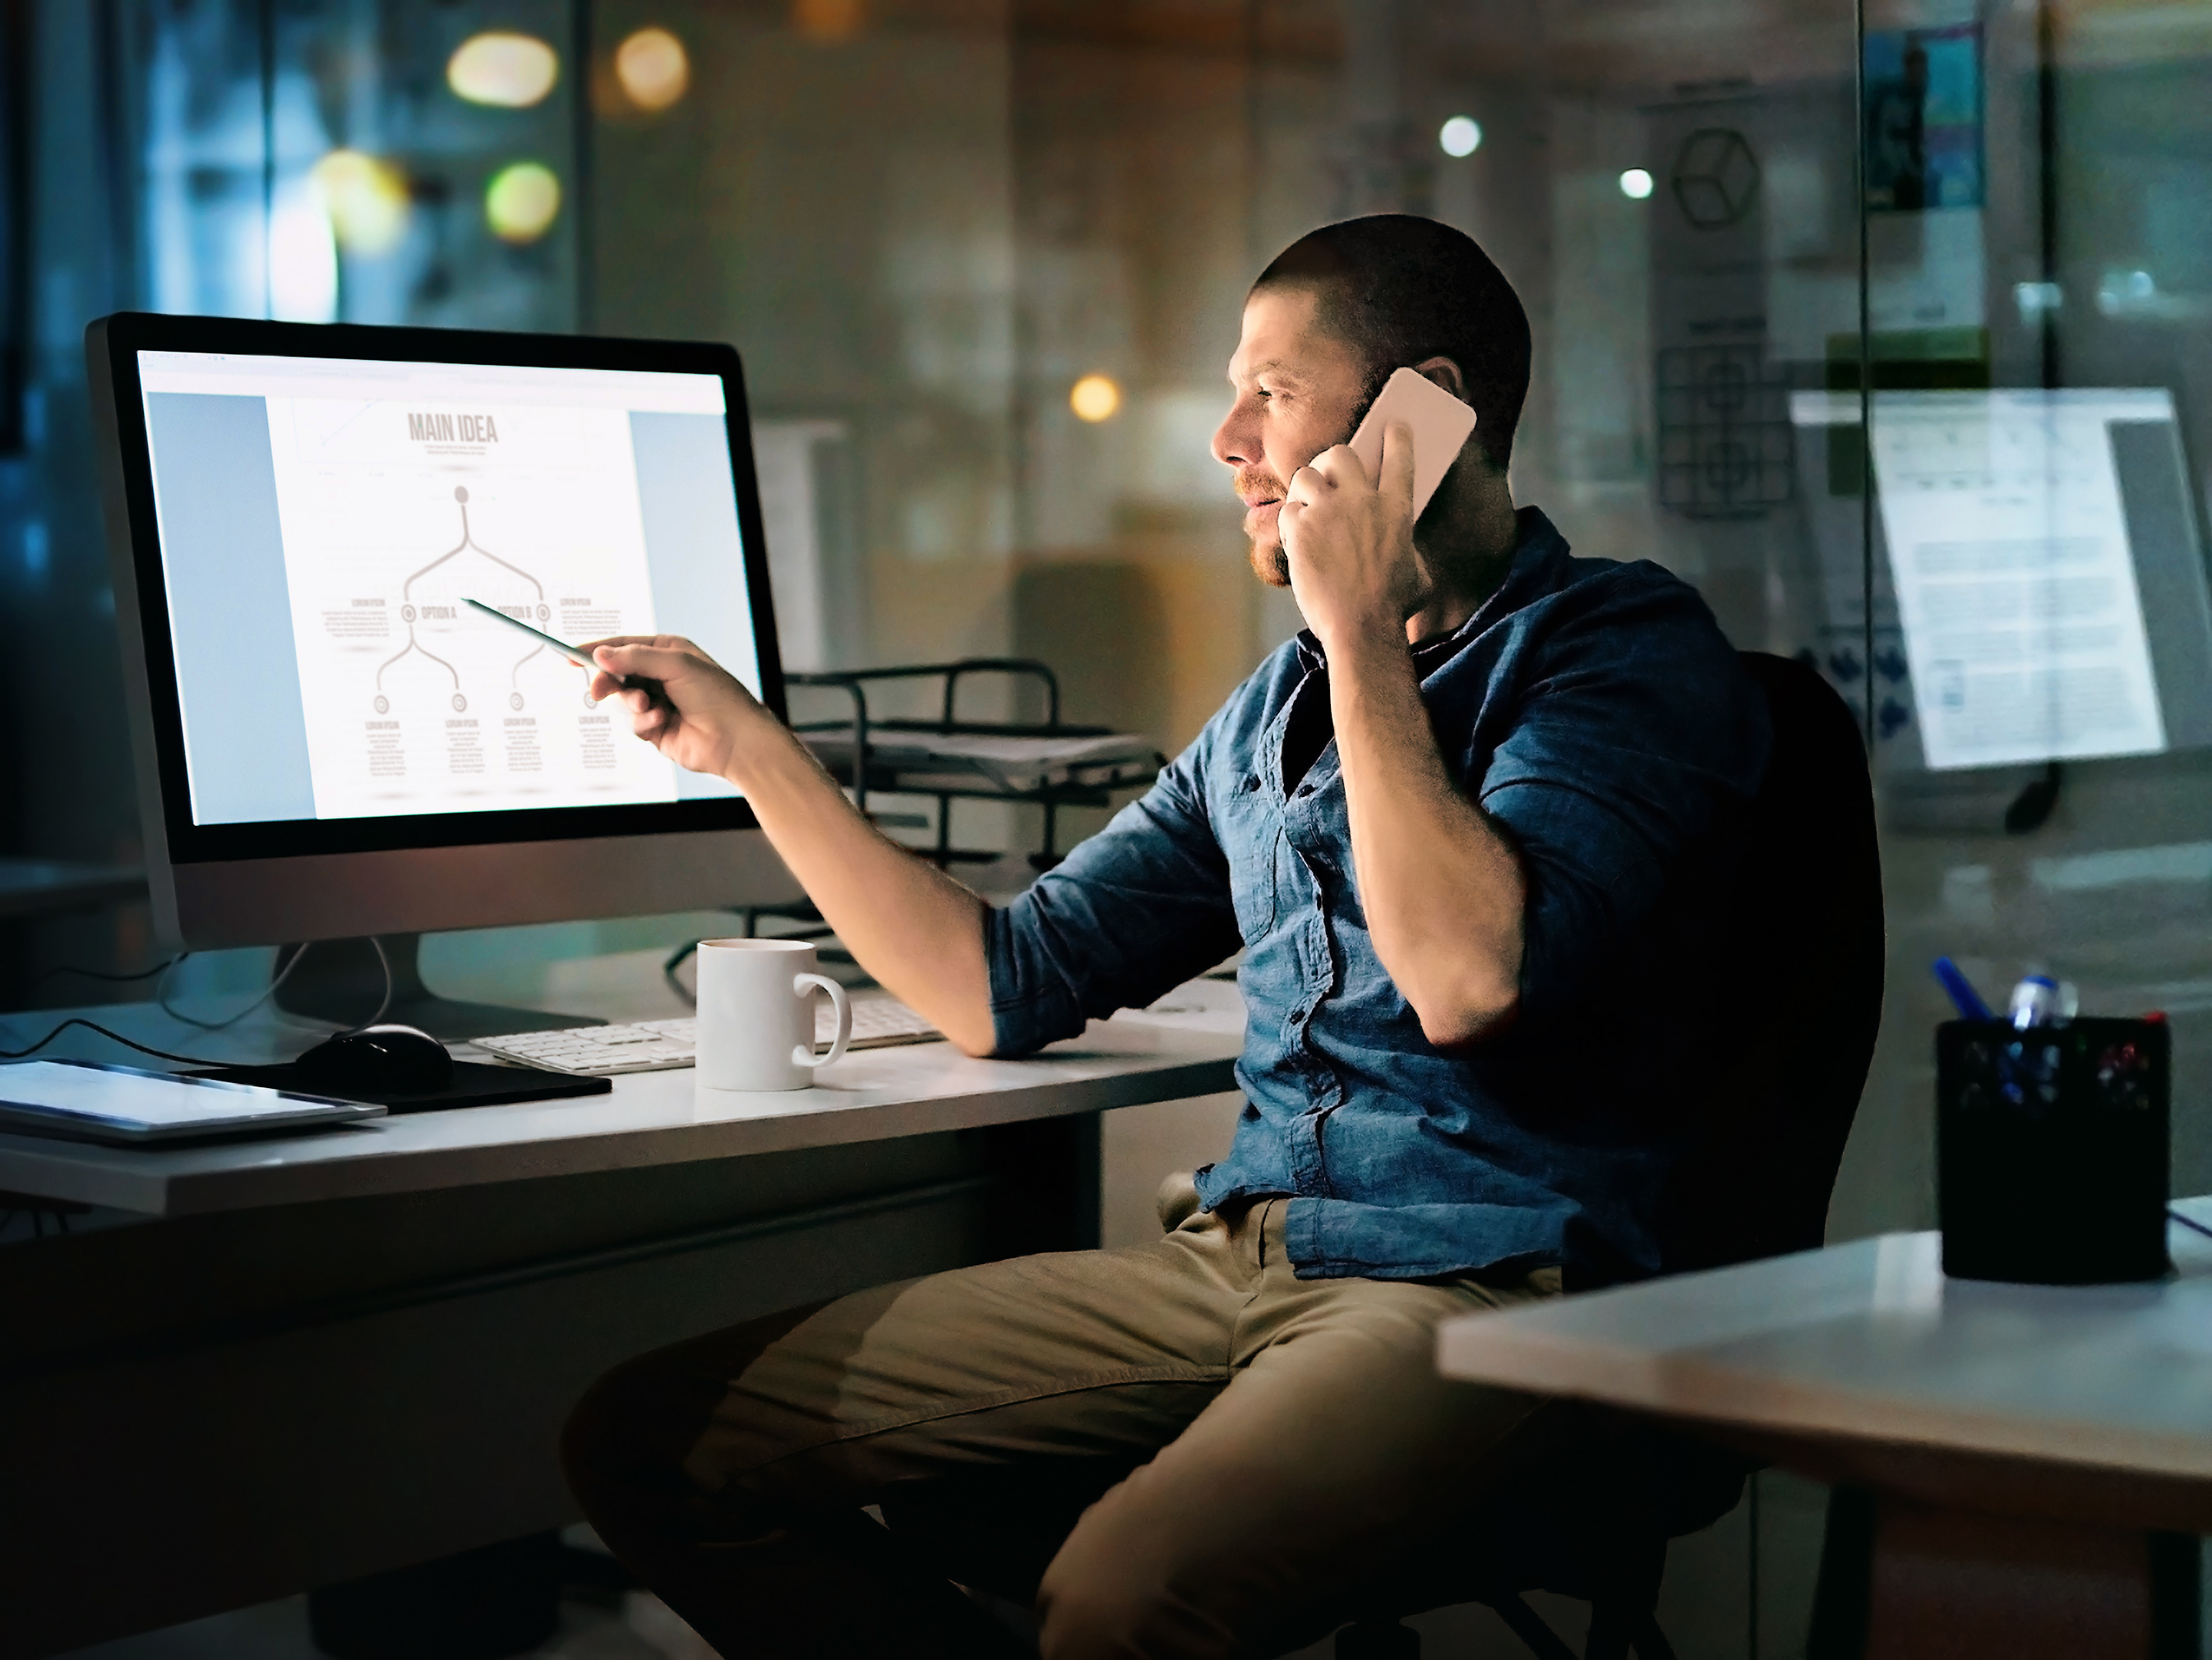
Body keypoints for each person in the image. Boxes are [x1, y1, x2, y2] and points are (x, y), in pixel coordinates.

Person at [561, 214, 1770, 1659]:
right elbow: (1001, 985)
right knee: (656, 1443)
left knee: (1126, 1597)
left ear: (1423, 411)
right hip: (1234, 1259)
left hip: (1490, 1277)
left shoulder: (1615, 649)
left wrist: (1362, 630)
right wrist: (754, 751)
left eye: (1272, 390)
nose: (1227, 440)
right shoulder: (1274, 714)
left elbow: (1467, 980)